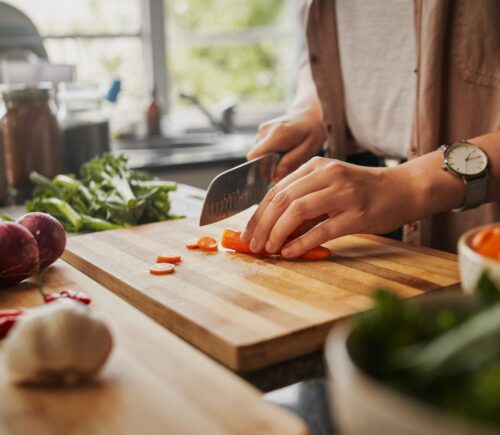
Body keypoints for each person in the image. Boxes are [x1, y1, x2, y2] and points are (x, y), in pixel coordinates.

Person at [242, 0, 500, 258]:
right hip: (356, 195)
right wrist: (313, 107)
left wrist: (407, 185)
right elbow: (322, 48)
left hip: (475, 219)